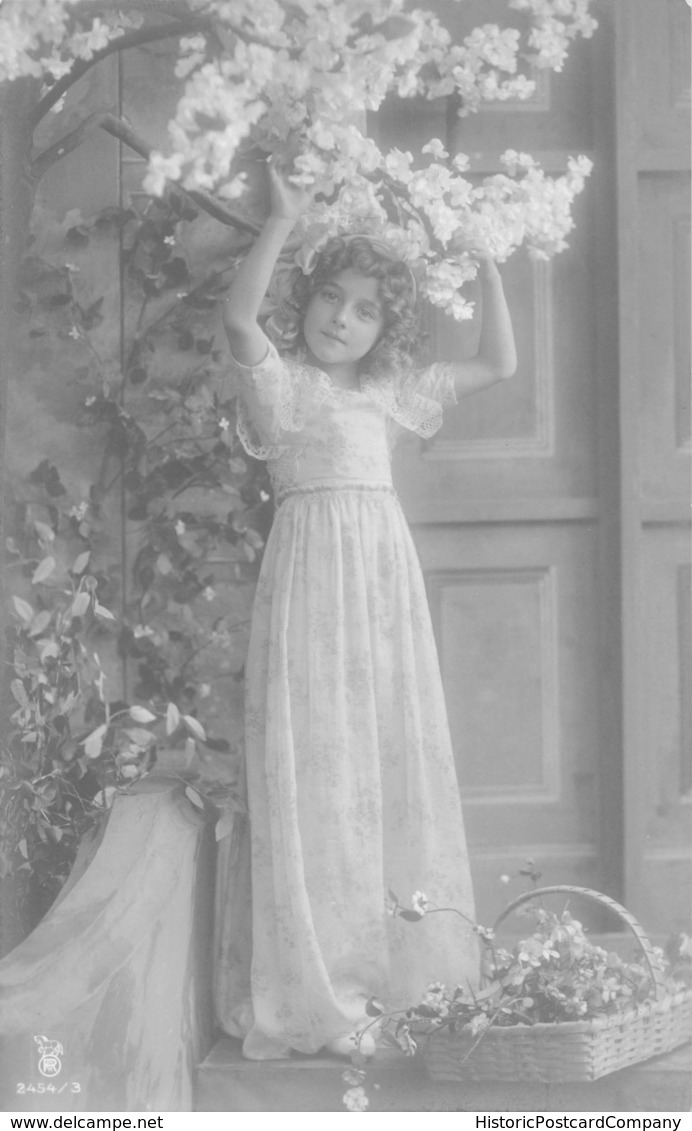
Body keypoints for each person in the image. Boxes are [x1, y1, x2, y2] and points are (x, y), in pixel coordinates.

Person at [214, 161, 517, 1061]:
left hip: (382, 588)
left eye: (365, 311)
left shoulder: (388, 395)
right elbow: (237, 318)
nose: (340, 319)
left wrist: (488, 265)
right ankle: (322, 984)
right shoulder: (284, 386)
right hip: (311, 584)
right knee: (321, 767)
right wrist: (281, 221)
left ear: (386, 329)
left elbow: (500, 362)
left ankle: (397, 970)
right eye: (330, 300)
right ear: (307, 298)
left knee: (385, 760)